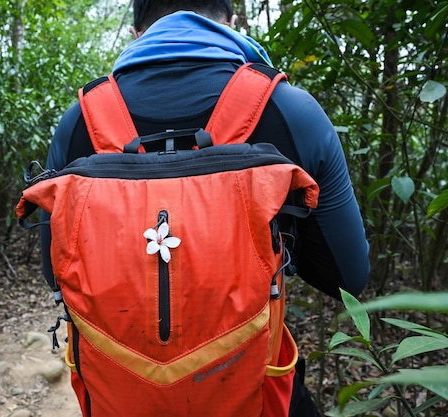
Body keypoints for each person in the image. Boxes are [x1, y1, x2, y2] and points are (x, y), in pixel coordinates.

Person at [39, 1, 370, 415]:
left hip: (120, 400)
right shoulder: (290, 110)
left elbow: (56, 272)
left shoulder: (78, 123)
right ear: (231, 23)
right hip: (254, 392)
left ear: (136, 34)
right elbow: (348, 278)